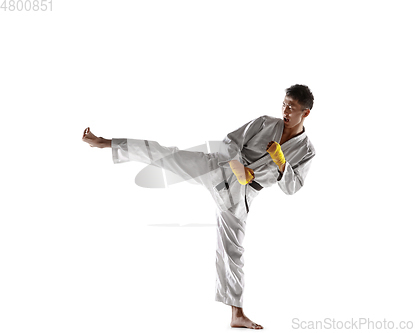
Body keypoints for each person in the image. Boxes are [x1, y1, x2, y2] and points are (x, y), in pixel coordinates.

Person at [82, 84, 316, 329]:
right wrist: (237, 166)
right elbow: (230, 141)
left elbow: (292, 187)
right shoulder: (265, 123)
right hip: (218, 168)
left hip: (240, 195)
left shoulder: (306, 151)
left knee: (232, 249)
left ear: (305, 113)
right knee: (166, 154)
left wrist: (281, 164)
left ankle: (237, 314)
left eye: (292, 107)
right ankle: (106, 143)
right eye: (284, 104)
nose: (285, 110)